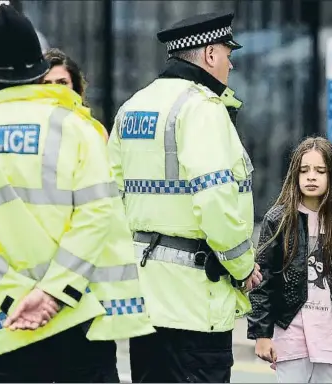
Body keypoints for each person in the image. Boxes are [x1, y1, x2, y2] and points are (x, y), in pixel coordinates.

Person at [0, 5, 153, 382]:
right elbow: (96, 215)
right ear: (38, 73)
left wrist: (14, 297)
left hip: (6, 323)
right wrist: (52, 294)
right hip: (79, 315)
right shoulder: (76, 128)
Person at [107, 11, 262, 383]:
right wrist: (243, 268)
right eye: (227, 53)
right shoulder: (203, 110)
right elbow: (215, 203)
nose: (231, 62)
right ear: (209, 54)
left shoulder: (131, 109)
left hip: (146, 300)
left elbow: (111, 199)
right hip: (196, 301)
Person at [247, 137, 332, 383]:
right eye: (304, 170)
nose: (311, 177)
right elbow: (263, 280)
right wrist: (261, 334)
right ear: (294, 174)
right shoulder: (278, 220)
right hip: (290, 332)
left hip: (329, 334)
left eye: (320, 171)